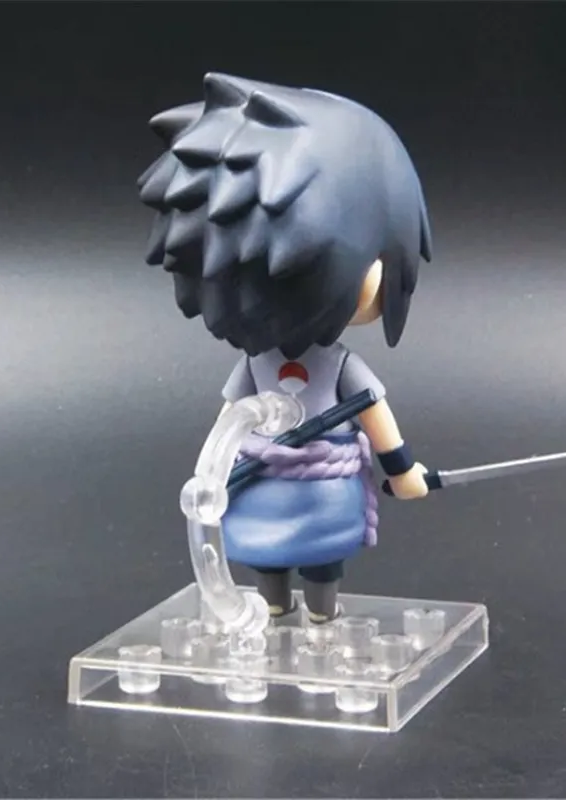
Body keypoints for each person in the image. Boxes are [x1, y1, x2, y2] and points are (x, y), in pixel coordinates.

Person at [138, 73, 432, 623]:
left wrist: (401, 469)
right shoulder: (257, 364)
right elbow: (231, 416)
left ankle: (320, 615)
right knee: (267, 565)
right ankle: (274, 607)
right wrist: (215, 471)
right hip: (260, 489)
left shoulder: (340, 367)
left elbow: (374, 413)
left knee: (322, 568)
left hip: (323, 496)